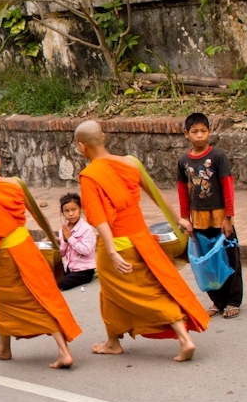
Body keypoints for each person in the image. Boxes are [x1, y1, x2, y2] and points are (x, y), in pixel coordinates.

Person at [75, 120, 209, 362]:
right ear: (103, 137)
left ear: (82, 147)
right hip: (142, 237)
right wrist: (178, 219)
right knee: (113, 291)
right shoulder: (130, 163)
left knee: (145, 293)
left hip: (118, 242)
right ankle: (113, 340)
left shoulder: (90, 176)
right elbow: (156, 194)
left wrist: (113, 252)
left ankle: (184, 338)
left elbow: (99, 218)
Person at [0, 145, 81, 369]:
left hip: (5, 256)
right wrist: (53, 239)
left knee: (8, 302)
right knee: (42, 297)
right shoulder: (16, 184)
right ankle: (51, 349)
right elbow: (38, 214)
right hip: (27, 248)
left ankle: (7, 348)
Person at [178, 112, 242, 319]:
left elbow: (228, 187)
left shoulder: (217, 157)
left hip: (220, 218)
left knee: (229, 259)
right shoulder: (183, 161)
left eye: (203, 131)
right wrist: (184, 218)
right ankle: (217, 300)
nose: (199, 135)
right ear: (186, 134)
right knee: (205, 261)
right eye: (194, 131)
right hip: (198, 219)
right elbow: (182, 191)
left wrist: (228, 217)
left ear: (209, 132)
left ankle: (232, 300)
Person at [57, 193, 96, 291]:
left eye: (74, 210)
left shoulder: (86, 229)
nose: (70, 214)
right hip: (69, 268)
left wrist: (70, 239)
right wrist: (64, 241)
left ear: (81, 209)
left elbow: (86, 250)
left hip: (84, 270)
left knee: (60, 284)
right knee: (47, 275)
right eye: (66, 211)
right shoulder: (64, 229)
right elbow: (61, 254)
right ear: (63, 213)